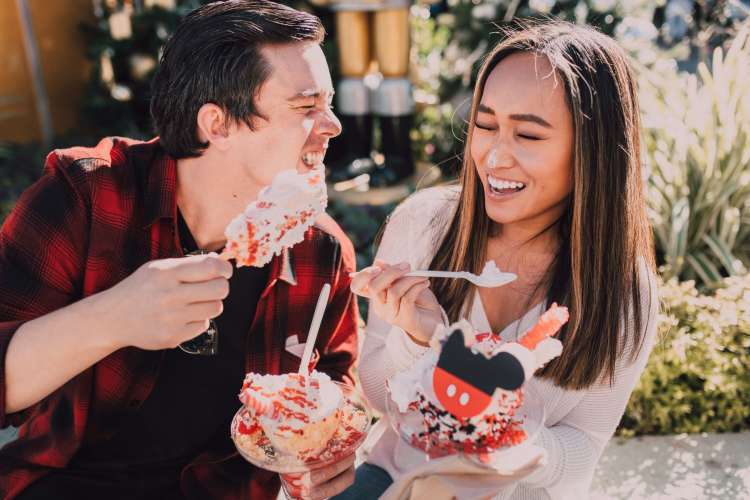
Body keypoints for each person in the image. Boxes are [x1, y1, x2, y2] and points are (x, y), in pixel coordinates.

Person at [0, 2, 359, 499]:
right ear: (217, 124)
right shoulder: (85, 198)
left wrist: (331, 443)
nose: (334, 124)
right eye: (306, 107)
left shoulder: (319, 251)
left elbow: (336, 378)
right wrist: (113, 317)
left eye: (330, 102)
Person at [345, 20, 659, 499]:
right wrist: (414, 338)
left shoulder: (623, 289)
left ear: (592, 154)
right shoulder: (424, 225)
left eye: (528, 136)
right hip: (397, 482)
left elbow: (582, 449)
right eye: (485, 125)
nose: (493, 157)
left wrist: (494, 419)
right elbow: (376, 394)